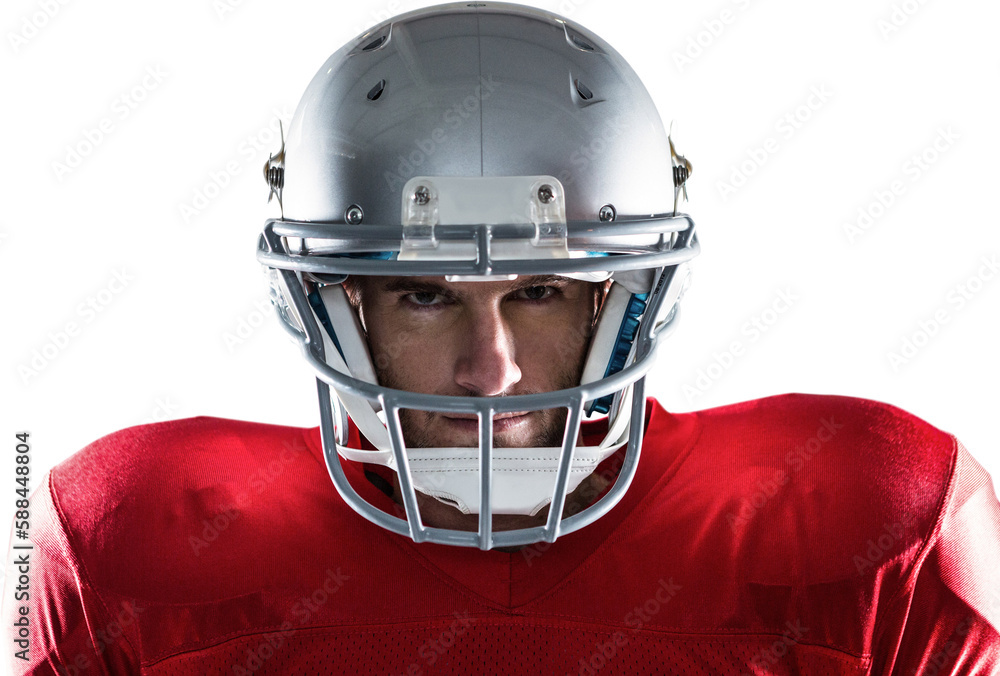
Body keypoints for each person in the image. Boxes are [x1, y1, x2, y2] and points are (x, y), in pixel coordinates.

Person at [5, 2, 1000, 674]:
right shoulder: (129, 534)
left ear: (630, 297)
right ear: (334, 304)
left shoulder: (876, 518)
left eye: (539, 290)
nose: (493, 373)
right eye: (425, 297)